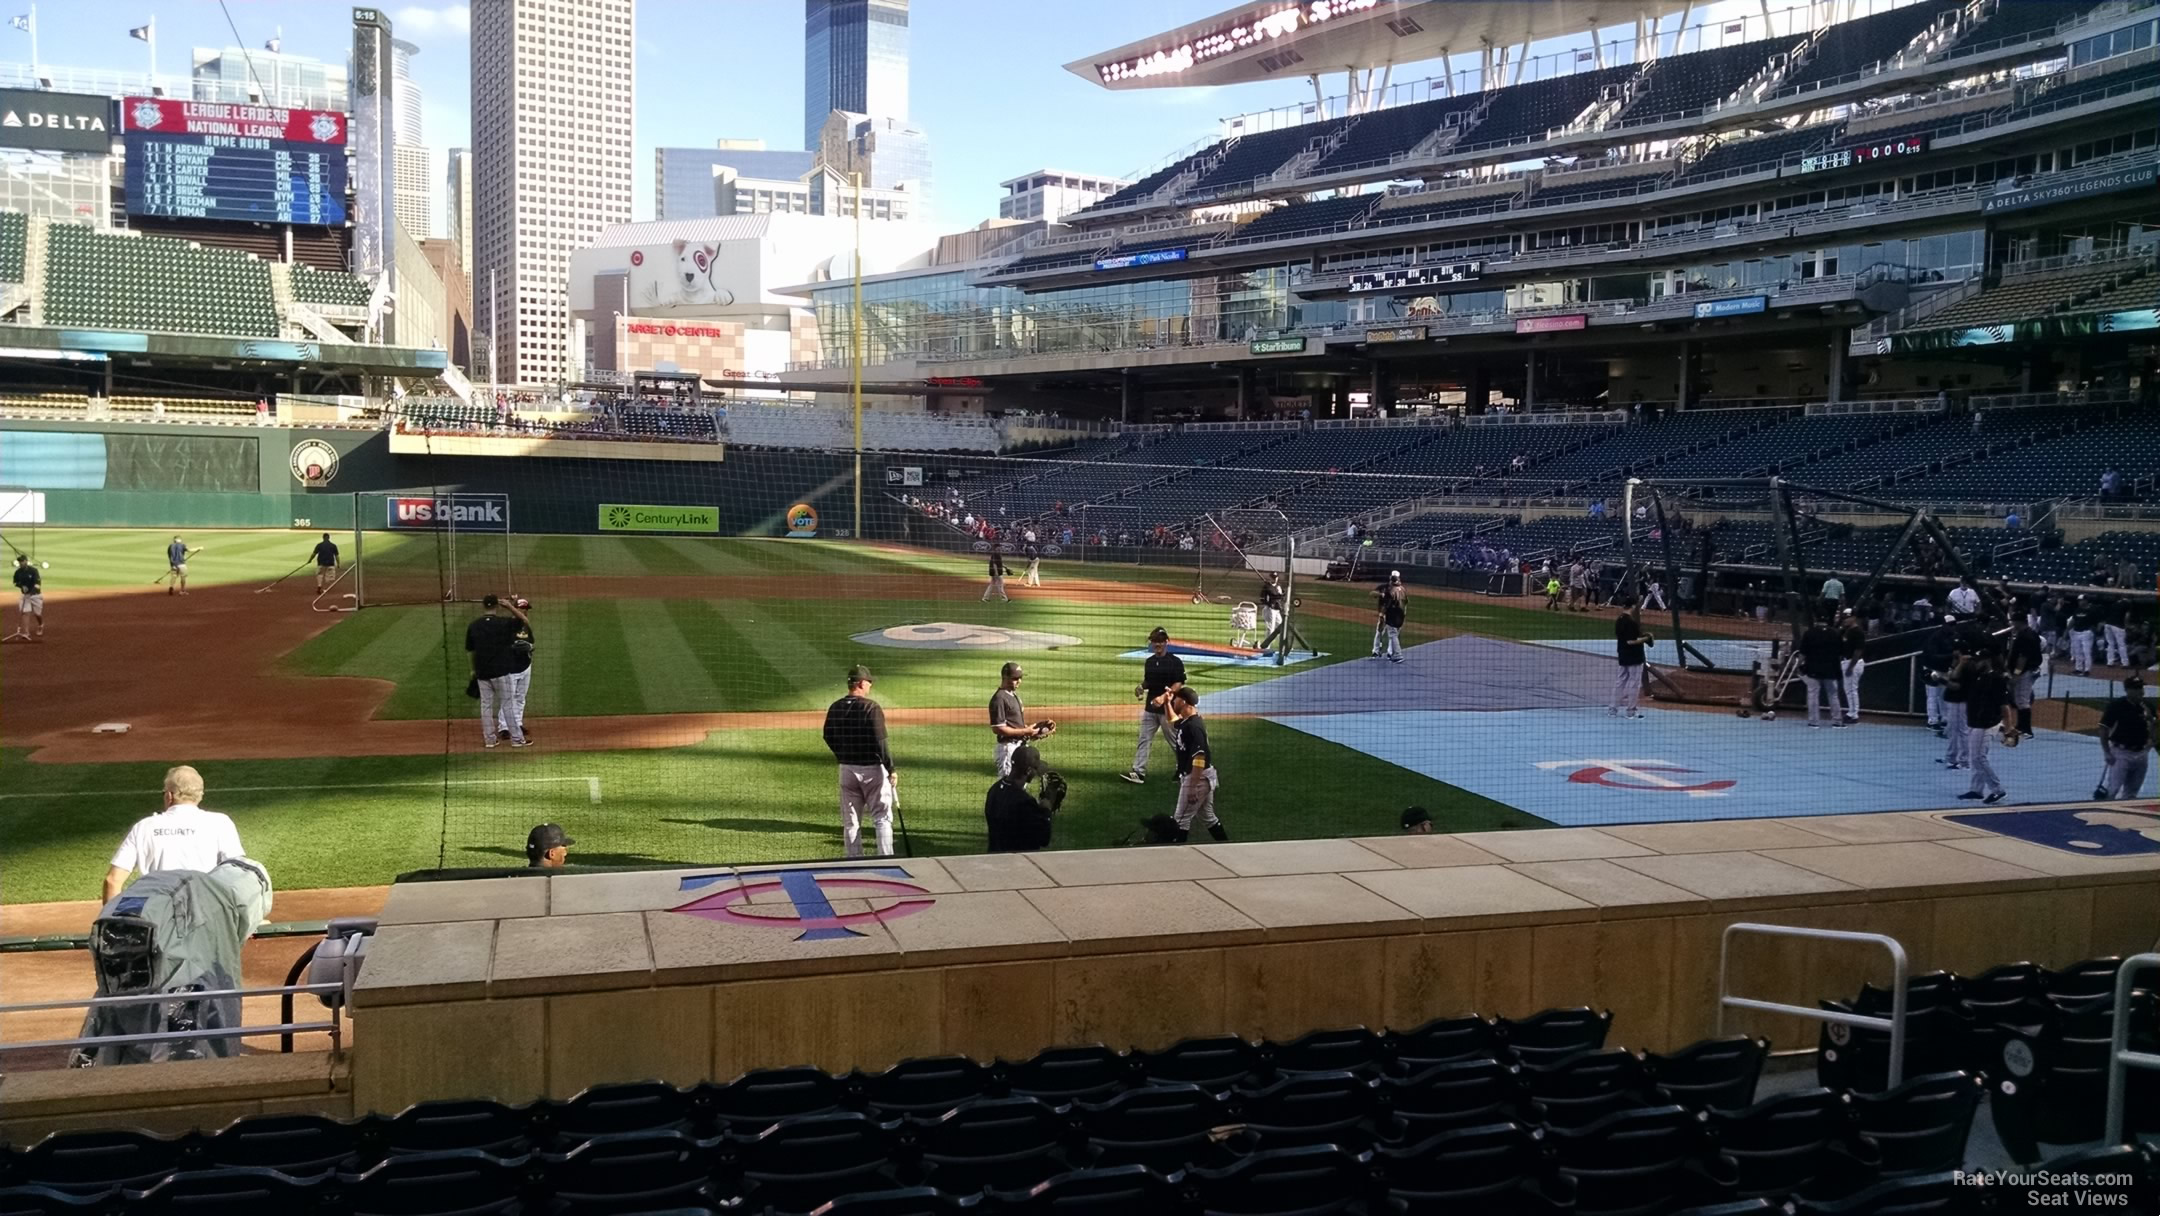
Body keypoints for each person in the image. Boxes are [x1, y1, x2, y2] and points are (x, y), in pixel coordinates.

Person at [102, 765, 246, 902]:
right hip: (204, 914)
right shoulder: (220, 822)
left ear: (169, 796)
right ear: (200, 796)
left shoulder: (144, 827)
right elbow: (238, 874)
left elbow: (112, 881)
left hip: (157, 916)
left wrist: (113, 923)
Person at [821, 665, 896, 857]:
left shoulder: (835, 707)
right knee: (882, 818)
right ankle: (886, 859)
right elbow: (881, 742)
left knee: (851, 822)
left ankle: (853, 861)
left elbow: (827, 735)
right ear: (861, 683)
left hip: (846, 770)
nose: (870, 686)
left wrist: (842, 755)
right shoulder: (871, 707)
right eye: (869, 682)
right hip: (872, 770)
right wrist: (891, 769)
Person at [465, 594, 535, 747]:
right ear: (497, 606)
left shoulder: (474, 625)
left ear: (483, 606)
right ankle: (517, 740)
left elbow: (470, 650)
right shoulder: (503, 623)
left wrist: (473, 671)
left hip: (482, 672)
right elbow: (524, 621)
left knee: (486, 706)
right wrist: (509, 606)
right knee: (509, 704)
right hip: (501, 671)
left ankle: (489, 740)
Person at [1163, 687, 1228, 843]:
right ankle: (1226, 846)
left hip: (1197, 777)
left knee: (1180, 819)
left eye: (1175, 699)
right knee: (1208, 817)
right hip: (1202, 776)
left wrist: (1193, 786)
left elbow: (1199, 757)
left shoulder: (1194, 727)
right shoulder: (1188, 722)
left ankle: (1177, 854)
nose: (1174, 701)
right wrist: (1166, 703)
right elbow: (1172, 722)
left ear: (1184, 702)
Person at [1123, 627, 1186, 784]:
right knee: (1144, 738)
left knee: (1174, 740)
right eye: (1154, 641)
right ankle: (1138, 772)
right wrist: (1140, 687)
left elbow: (1179, 683)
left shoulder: (1175, 662)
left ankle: (1183, 769)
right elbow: (1148, 681)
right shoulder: (1149, 662)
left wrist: (1164, 697)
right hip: (1150, 709)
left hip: (1168, 710)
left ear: (1166, 642)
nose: (1157, 644)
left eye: (1160, 641)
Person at [1955, 648, 2015, 805]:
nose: (1975, 663)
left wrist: (2009, 728)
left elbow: (2004, 706)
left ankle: (1998, 790)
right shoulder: (1977, 676)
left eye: (1978, 660)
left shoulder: (1996, 679)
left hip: (1987, 723)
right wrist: (1962, 663)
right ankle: (1976, 790)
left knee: (1978, 758)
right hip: (1975, 723)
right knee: (1975, 757)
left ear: (1987, 660)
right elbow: (1955, 677)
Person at [984, 743, 1066, 853]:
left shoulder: (995, 790)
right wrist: (1046, 810)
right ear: (1028, 771)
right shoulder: (1024, 801)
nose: (1036, 773)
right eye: (1035, 769)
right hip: (1017, 861)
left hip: (994, 855)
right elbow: (1043, 839)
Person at [990, 661, 1054, 776]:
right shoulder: (999, 699)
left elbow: (1016, 726)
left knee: (1020, 785)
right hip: (1008, 749)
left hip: (1020, 747)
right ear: (1005, 677)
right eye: (1015, 678)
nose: (1019, 681)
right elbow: (998, 729)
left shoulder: (1014, 696)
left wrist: (1035, 730)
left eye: (1020, 678)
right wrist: (1025, 731)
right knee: (1009, 788)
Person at [2098, 675, 2153, 800]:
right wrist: (2107, 752)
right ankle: (2105, 816)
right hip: (2121, 753)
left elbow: (2153, 725)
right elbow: (2103, 728)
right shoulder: (2117, 706)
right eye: (2137, 688)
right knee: (2113, 790)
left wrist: (2151, 740)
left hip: (2142, 754)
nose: (2141, 691)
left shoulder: (2147, 706)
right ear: (2128, 690)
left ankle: (2125, 817)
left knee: (2132, 793)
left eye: (2142, 688)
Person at [1799, 611, 1845, 728]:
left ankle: (1813, 722)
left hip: (1813, 669)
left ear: (1816, 620)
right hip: (1831, 670)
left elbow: (1803, 653)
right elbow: (1840, 653)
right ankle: (1837, 721)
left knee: (1813, 694)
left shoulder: (1809, 633)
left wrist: (1799, 665)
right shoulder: (1835, 634)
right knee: (1833, 695)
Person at [1610, 596, 1651, 719]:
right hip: (1634, 656)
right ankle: (1631, 711)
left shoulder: (1619, 620)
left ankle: (1613, 709)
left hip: (1622, 654)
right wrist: (1646, 638)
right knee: (1634, 683)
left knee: (1620, 682)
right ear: (1633, 606)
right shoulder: (1631, 622)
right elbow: (1631, 641)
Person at [2007, 612, 2044, 740]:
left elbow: (2022, 657)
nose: (2012, 623)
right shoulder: (2030, 633)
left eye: (2013, 621)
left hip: (2025, 672)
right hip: (2028, 670)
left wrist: (2016, 674)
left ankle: (2027, 730)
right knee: (2019, 699)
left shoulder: (2025, 636)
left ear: (2019, 621)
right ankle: (2020, 726)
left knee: (2022, 700)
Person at [1838, 609, 1868, 725]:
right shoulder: (1847, 630)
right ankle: (1851, 712)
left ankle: (1854, 714)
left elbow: (1858, 650)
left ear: (1854, 618)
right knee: (1848, 690)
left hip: (1854, 663)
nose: (1845, 620)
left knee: (1852, 689)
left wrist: (1851, 667)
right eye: (1844, 618)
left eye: (1847, 618)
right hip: (1847, 661)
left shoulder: (1858, 632)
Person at [1373, 570, 1406, 663]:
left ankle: (1397, 655)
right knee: (1394, 635)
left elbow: (1386, 605)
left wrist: (1382, 615)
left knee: (1393, 635)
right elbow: (1405, 603)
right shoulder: (1402, 589)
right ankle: (1390, 654)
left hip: (1392, 616)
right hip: (1400, 615)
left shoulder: (1390, 590)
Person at [12, 553, 42, 639]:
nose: (21, 563)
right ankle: (26, 632)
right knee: (26, 612)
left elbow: (37, 584)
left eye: (22, 561)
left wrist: (30, 592)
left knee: (37, 614)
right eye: (19, 561)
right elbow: (15, 582)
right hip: (25, 595)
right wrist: (21, 586)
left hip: (35, 594)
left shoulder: (33, 571)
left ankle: (40, 625)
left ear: (26, 561)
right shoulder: (18, 572)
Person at [2069, 597, 2097, 676]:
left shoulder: (2091, 610)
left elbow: (2095, 622)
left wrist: (2092, 631)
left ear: (2086, 600)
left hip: (2086, 632)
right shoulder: (2077, 610)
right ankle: (2078, 668)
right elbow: (2073, 620)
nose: (2080, 602)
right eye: (2079, 601)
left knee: (2086, 652)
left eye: (2081, 600)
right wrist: (2067, 630)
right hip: (2076, 632)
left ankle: (2087, 670)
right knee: (2077, 652)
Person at [1258, 573, 1286, 648]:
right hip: (1271, 609)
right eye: (1273, 577)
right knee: (1271, 628)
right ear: (1270, 578)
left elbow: (1282, 596)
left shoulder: (1278, 586)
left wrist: (1281, 593)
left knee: (1281, 626)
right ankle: (1267, 646)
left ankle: (1283, 644)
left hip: (1277, 609)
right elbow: (1262, 598)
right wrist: (1268, 604)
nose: (1275, 579)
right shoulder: (1267, 586)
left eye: (1276, 577)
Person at [2103, 599, 2131, 670]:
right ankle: (2125, 663)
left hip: (2108, 624)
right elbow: (2127, 616)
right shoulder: (2127, 603)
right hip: (2118, 625)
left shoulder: (2114, 603)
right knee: (2121, 644)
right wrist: (2126, 626)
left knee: (2110, 644)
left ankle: (2110, 662)